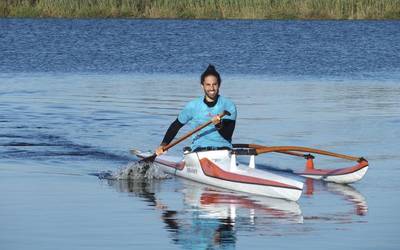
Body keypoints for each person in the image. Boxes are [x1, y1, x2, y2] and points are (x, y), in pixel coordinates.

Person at [155, 64, 237, 155]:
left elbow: (228, 135)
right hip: (199, 151)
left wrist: (218, 125)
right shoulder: (192, 106)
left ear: (219, 85)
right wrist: (163, 144)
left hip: (224, 151)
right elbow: (175, 126)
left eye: (214, 84)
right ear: (202, 86)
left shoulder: (229, 106)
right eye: (208, 85)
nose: (212, 88)